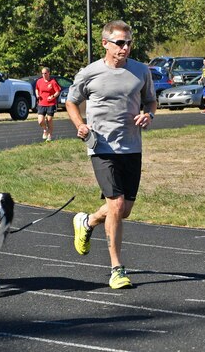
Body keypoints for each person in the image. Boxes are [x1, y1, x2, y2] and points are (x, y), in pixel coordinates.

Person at [66, 20, 157, 289]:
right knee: (116, 205)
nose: (125, 48)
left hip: (131, 146)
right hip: (101, 147)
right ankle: (117, 269)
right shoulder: (89, 73)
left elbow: (151, 100)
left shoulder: (141, 71)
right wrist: (80, 124)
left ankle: (88, 221)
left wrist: (148, 114)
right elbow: (71, 101)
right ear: (105, 43)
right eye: (120, 43)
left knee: (124, 210)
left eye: (129, 42)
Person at [35, 67, 62, 142]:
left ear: (49, 73)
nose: (43, 75)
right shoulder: (39, 81)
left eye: (45, 73)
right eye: (42, 73)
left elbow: (57, 91)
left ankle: (49, 135)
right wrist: (37, 94)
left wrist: (52, 96)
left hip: (51, 103)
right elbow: (37, 89)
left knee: (49, 120)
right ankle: (45, 130)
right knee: (40, 121)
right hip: (41, 103)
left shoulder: (53, 82)